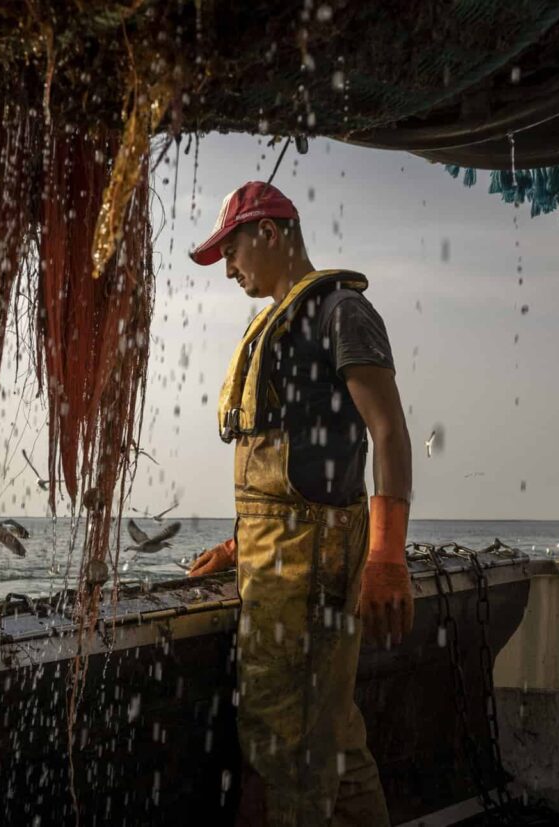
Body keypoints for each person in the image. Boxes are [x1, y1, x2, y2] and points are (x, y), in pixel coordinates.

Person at [187, 181, 413, 826]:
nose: (228, 269)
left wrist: (387, 556)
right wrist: (241, 545)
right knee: (332, 735)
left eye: (231, 251)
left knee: (285, 745)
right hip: (278, 557)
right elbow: (291, 464)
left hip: (310, 569)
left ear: (269, 232)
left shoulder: (342, 312)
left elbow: (389, 430)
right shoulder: (277, 324)